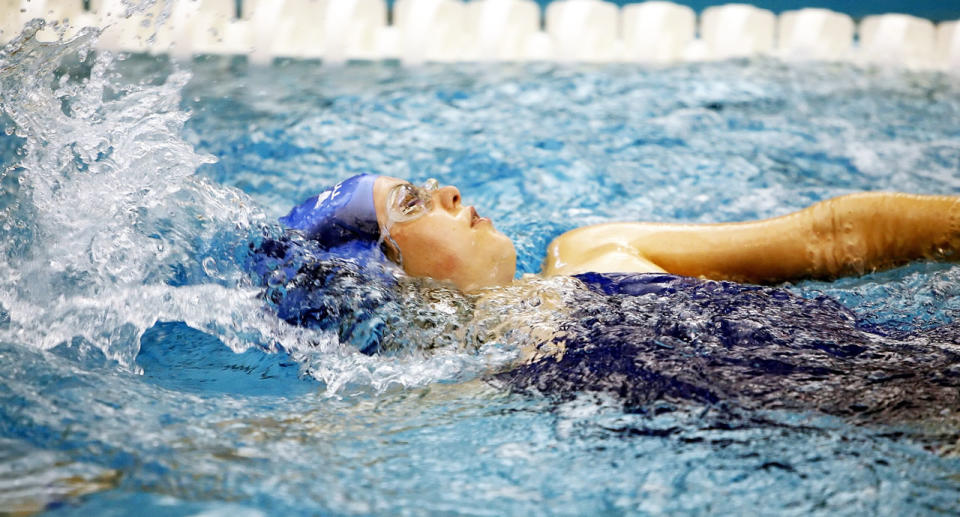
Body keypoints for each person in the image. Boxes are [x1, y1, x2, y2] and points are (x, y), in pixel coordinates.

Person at [278, 173, 960, 291]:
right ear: (382, 272)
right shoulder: (451, 392)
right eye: (416, 203)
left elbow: (829, 237)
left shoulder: (590, 249)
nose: (451, 191)